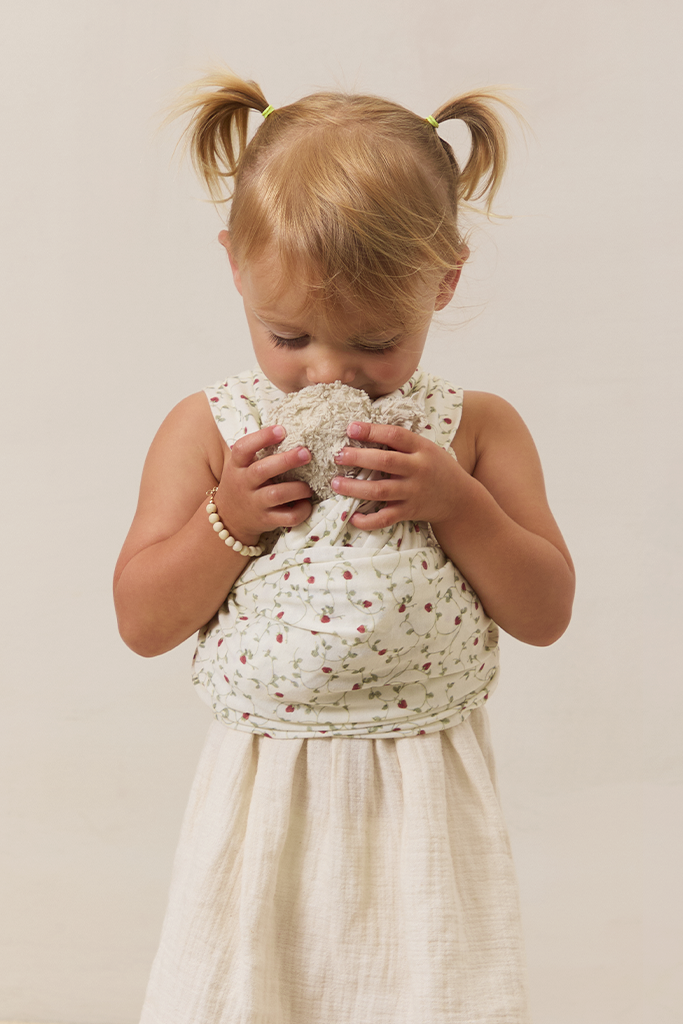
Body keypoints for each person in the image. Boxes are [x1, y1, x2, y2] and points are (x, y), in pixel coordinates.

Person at [114, 68, 574, 1024]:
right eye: (289, 336)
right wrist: (229, 520)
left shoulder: (475, 429)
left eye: (373, 342)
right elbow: (142, 620)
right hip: (261, 787)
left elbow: (545, 612)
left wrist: (458, 505)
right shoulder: (210, 429)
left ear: (444, 281)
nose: (330, 372)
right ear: (234, 267)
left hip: (424, 790)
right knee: (246, 993)